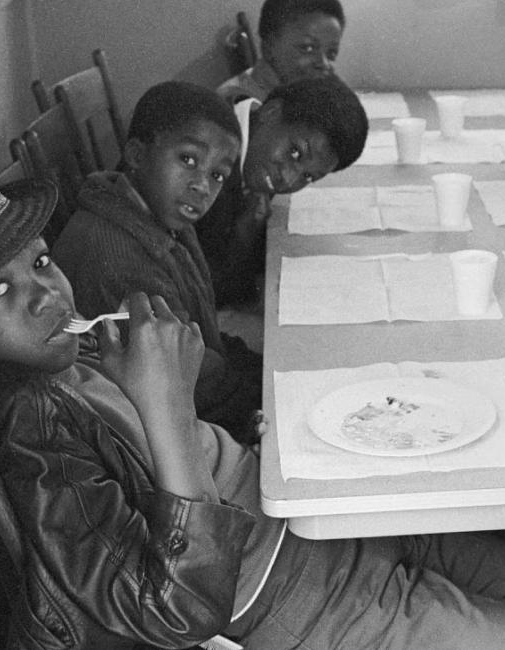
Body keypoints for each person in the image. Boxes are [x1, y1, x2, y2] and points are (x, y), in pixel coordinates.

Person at [0, 143, 505, 649]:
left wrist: (177, 380)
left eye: (41, 264)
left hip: (314, 521)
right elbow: (170, 611)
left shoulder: (67, 352)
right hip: (292, 602)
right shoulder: (32, 432)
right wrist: (166, 405)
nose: (44, 293)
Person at [51, 81, 261, 444]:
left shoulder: (165, 218)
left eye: (217, 175)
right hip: (165, 437)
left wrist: (259, 369)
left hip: (196, 400)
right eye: (188, 160)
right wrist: (261, 397)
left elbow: (200, 333)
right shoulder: (119, 262)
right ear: (136, 154)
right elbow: (185, 386)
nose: (202, 186)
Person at [196, 75, 367, 308]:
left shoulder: (253, 138)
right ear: (271, 112)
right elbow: (199, 293)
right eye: (295, 153)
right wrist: (244, 234)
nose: (288, 180)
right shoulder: (207, 161)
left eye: (308, 177)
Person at [217, 0, 345, 103]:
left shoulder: (305, 93)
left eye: (331, 53)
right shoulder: (242, 106)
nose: (324, 63)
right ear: (268, 47)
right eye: (307, 48)